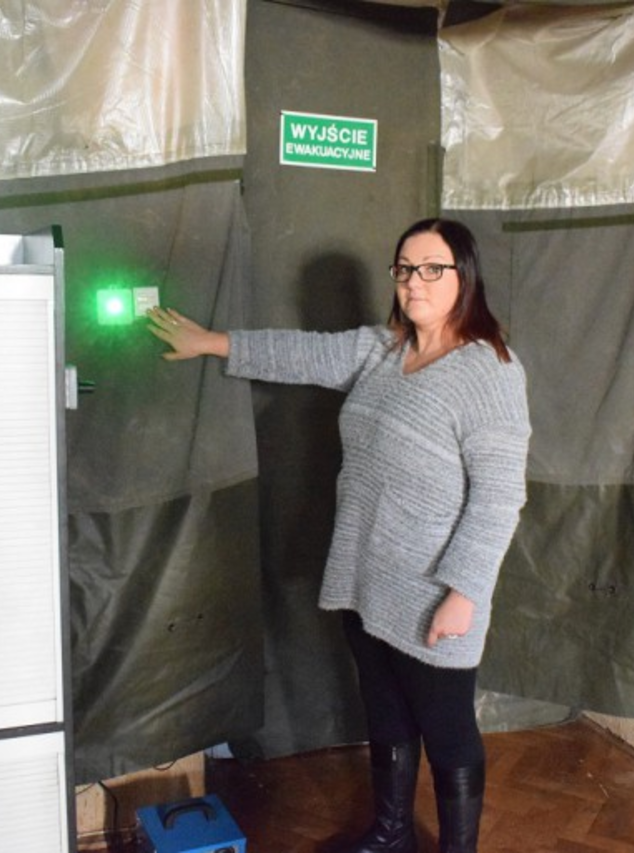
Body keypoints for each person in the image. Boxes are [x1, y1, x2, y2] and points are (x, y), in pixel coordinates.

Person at [147, 218, 530, 853]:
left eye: (432, 268)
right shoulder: (385, 350)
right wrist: (212, 342)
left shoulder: (490, 371)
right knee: (386, 714)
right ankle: (392, 832)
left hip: (435, 590)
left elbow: (499, 496)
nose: (414, 282)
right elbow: (303, 353)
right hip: (368, 578)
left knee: (447, 732)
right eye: (404, 268)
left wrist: (464, 592)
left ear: (464, 276)